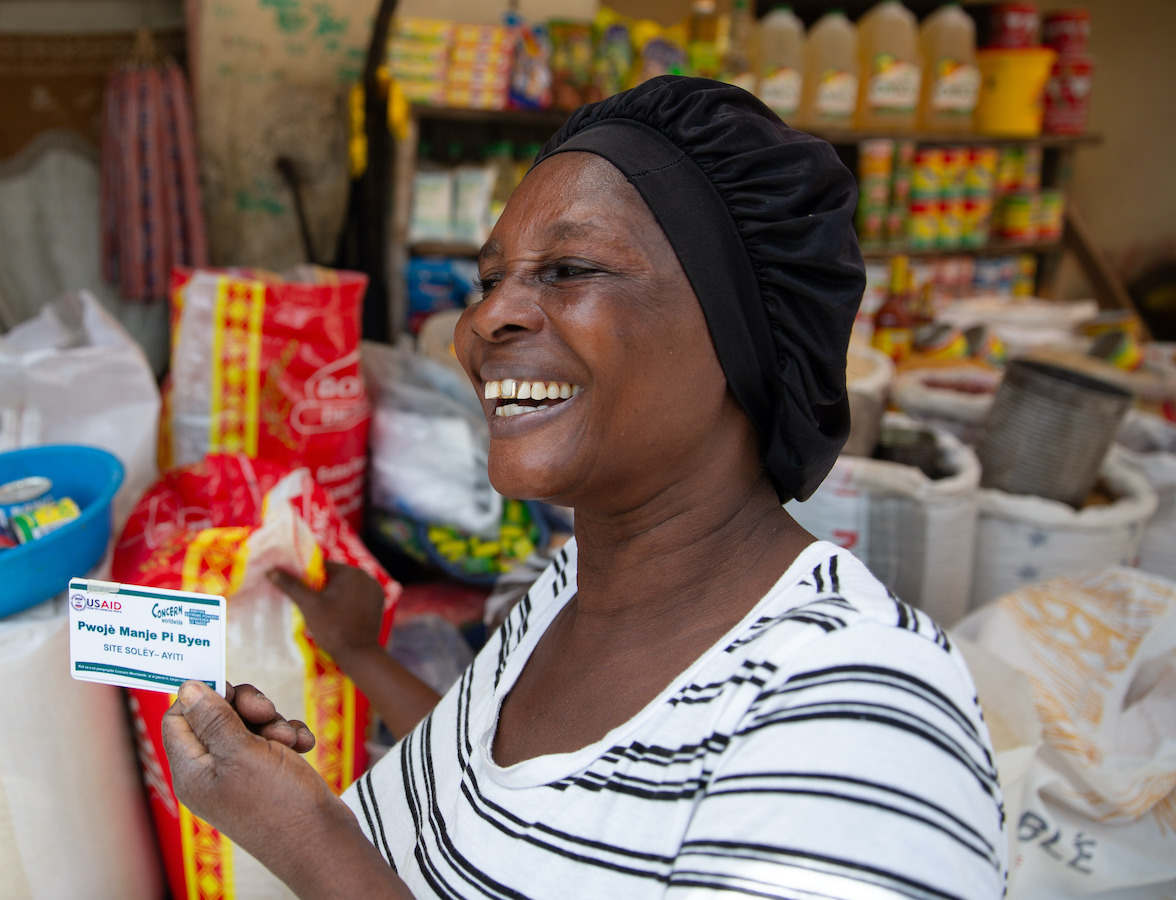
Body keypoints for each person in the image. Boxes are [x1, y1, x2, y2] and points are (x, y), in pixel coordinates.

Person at [163, 76, 1006, 898]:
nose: (488, 318)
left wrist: (311, 843)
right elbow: (502, 803)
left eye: (568, 269)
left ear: (737, 327)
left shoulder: (854, 721)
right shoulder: (565, 590)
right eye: (490, 280)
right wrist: (357, 655)